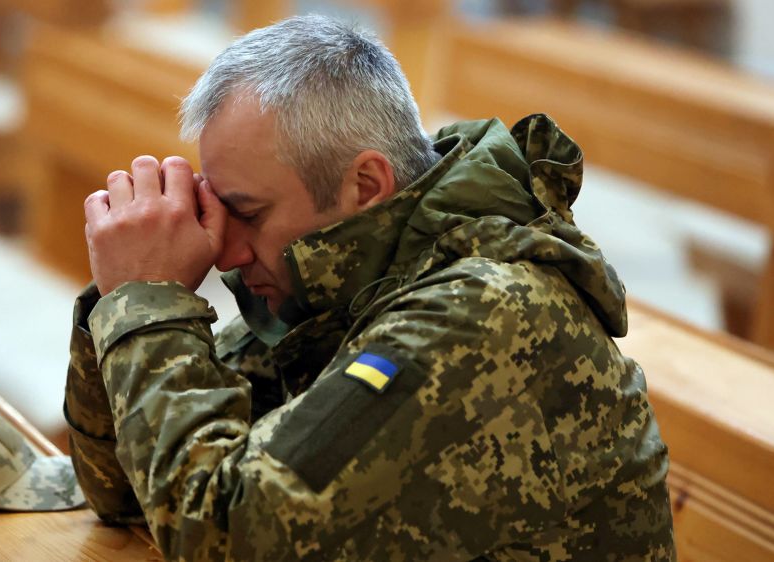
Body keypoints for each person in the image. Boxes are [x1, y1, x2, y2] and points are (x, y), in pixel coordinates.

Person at [63, 14, 676, 561]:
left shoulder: (482, 314)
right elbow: (127, 487)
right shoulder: (354, 283)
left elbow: (221, 535)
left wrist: (145, 298)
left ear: (364, 185)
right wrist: (125, 298)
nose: (225, 247)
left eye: (246, 212)